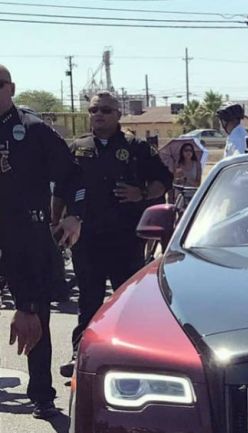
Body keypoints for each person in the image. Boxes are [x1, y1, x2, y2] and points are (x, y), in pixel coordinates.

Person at [54, 92, 172, 378]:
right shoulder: (78, 148)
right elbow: (61, 189)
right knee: (89, 302)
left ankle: (133, 355)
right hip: (87, 239)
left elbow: (164, 181)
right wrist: (54, 222)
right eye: (94, 109)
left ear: (118, 115)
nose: (98, 114)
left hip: (126, 239)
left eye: (105, 110)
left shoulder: (137, 147)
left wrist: (141, 193)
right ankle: (80, 353)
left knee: (128, 302)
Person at [0, 64, 84, 419]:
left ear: (11, 87)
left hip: (24, 234)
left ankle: (42, 395)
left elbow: (72, 174)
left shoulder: (32, 130)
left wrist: (72, 214)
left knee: (33, 316)